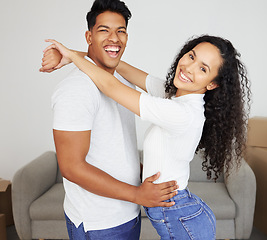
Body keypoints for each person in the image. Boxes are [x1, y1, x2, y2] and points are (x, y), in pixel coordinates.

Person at [42, 34, 251, 239]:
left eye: (203, 69)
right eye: (191, 56)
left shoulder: (182, 113)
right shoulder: (175, 96)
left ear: (212, 84)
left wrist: (71, 55)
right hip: (181, 212)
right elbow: (121, 68)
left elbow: (111, 86)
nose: (189, 67)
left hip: (179, 216)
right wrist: (72, 56)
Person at [41, 0, 179, 239]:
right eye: (104, 30)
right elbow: (72, 167)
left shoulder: (121, 82)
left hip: (127, 212)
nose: (114, 38)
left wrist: (143, 177)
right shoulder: (75, 90)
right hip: (99, 222)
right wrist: (138, 195)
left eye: (121, 31)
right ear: (89, 36)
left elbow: (116, 145)